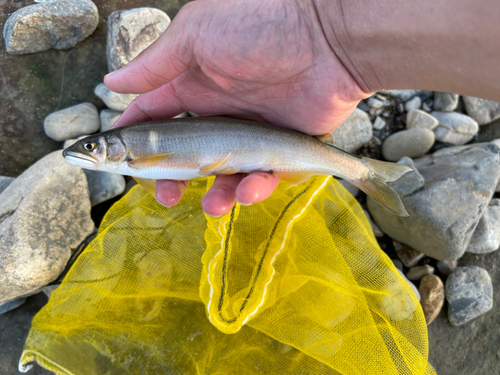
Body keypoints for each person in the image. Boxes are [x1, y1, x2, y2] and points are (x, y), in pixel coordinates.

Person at [104, 0, 500, 217]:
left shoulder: (134, 154)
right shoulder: (132, 154)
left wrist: (320, 23)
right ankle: (366, 173)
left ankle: (363, 172)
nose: (90, 152)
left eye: (93, 148)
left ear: (115, 148)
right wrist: (324, 27)